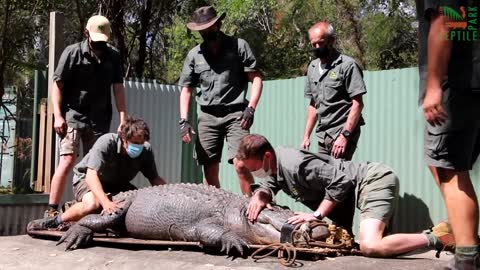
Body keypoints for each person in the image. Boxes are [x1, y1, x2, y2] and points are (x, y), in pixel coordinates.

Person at [237, 134, 454, 258]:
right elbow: (270, 184)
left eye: (252, 168)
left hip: (373, 180)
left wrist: (317, 214)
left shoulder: (295, 165)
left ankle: (439, 238)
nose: (252, 173)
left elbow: (341, 182)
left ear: (266, 156)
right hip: (355, 192)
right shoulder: (276, 165)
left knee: (370, 245)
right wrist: (260, 195)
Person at [416, 1, 480, 269]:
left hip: (455, 83)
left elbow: (445, 20)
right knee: (441, 163)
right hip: (470, 80)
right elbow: (466, 22)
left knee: (450, 170)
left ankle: (467, 257)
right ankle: (464, 235)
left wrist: (434, 85)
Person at [45, 15, 127, 217]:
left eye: (102, 40)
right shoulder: (72, 53)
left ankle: (89, 206)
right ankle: (51, 209)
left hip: (99, 119)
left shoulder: (113, 56)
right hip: (73, 115)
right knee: (67, 160)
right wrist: (58, 115)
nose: (99, 43)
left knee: (96, 166)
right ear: (86, 33)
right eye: (95, 38)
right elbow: (58, 85)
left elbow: (118, 88)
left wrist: (123, 118)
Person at [178, 6, 263, 196]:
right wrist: (183, 120)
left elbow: (256, 78)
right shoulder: (194, 55)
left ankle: (250, 208)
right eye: (202, 30)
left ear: (218, 24)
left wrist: (251, 108)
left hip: (237, 115)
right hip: (207, 117)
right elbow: (186, 89)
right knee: (209, 169)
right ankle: (217, 214)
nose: (206, 32)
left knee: (242, 164)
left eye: (209, 27)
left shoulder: (238, 46)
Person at [30, 117, 166, 229]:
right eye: (135, 142)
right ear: (124, 139)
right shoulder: (107, 142)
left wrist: (167, 195)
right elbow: (91, 175)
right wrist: (106, 202)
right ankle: (54, 221)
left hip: (116, 184)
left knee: (140, 203)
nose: (139, 146)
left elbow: (155, 179)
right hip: (86, 179)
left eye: (141, 142)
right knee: (93, 204)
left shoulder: (145, 150)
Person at [301, 21, 366, 160]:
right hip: (323, 135)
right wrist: (306, 136)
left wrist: (345, 136)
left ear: (332, 40)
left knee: (338, 177)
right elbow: (314, 104)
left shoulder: (347, 65)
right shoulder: (312, 68)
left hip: (342, 133)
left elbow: (358, 104)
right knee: (323, 177)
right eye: (313, 44)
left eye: (321, 43)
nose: (317, 47)